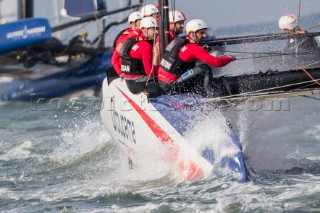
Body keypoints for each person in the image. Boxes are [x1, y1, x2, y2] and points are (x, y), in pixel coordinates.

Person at [158, 19, 236, 94]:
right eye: (201, 33)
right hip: (171, 86)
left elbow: (184, 55)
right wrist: (230, 58)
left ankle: (202, 90)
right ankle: (210, 94)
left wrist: (201, 50)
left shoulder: (181, 40)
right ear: (192, 33)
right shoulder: (194, 48)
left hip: (162, 82)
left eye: (205, 33)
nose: (204, 35)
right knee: (205, 68)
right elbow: (217, 62)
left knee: (198, 66)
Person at [120, 17, 158, 94]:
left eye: (156, 28)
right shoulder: (145, 46)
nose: (156, 31)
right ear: (144, 29)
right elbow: (150, 73)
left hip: (130, 81)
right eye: (153, 29)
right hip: (137, 82)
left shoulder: (136, 41)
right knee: (166, 81)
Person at [112, 11, 142, 77]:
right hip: (129, 73)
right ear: (132, 23)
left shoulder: (147, 34)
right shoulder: (124, 38)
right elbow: (114, 60)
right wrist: (121, 74)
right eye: (140, 22)